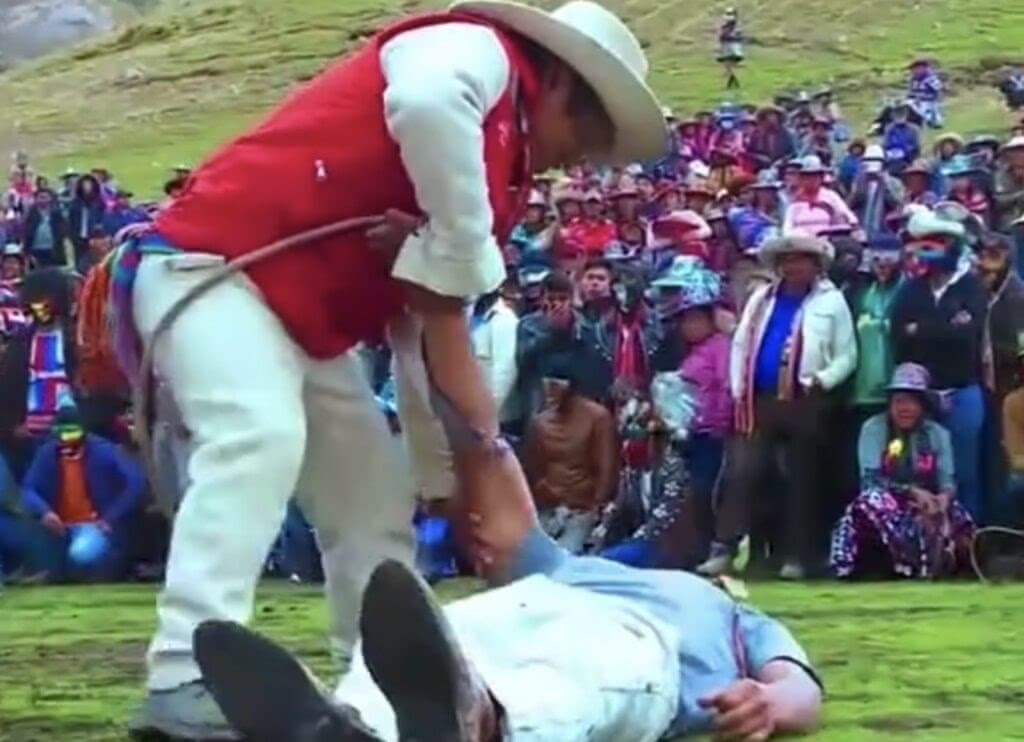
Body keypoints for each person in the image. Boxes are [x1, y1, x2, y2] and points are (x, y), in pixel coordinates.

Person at [124, 2, 667, 738]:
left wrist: (444, 477)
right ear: (568, 87)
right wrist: (462, 248)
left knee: (375, 503)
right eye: (588, 136)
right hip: (213, 272)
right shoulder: (474, 51)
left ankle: (374, 695)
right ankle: (183, 675)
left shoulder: (500, 173)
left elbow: (424, 331)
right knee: (258, 435)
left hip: (304, 327)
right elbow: (426, 101)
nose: (578, 161)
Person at [190, 447, 823, 742]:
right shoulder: (581, 564)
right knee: (418, 645)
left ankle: (474, 723)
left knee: (574, 684)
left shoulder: (736, 616)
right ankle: (341, 731)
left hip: (639, 645)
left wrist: (769, 701)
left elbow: (801, 687)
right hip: (536, 602)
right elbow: (501, 489)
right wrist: (447, 336)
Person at [711, 233, 857, 579]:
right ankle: (726, 547)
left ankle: (796, 555)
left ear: (815, 266)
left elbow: (847, 354)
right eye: (788, 260)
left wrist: (824, 379)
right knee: (744, 470)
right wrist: (737, 387)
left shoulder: (832, 301)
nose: (793, 267)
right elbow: (741, 342)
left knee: (801, 477)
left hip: (805, 399)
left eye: (802, 260)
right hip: (758, 399)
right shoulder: (761, 298)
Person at [830, 363, 975, 578]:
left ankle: (957, 556)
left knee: (957, 513)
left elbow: (947, 479)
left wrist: (943, 498)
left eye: (911, 402)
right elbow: (870, 480)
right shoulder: (873, 429)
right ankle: (909, 561)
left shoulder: (938, 434)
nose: (904, 408)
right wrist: (909, 492)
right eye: (899, 401)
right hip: (887, 503)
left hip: (928, 504)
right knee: (871, 500)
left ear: (923, 406)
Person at [890, 210, 988, 522]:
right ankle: (923, 546)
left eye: (934, 244)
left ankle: (968, 541)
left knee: (965, 469)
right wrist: (945, 326)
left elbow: (966, 335)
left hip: (963, 390)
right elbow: (899, 336)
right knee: (920, 470)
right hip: (921, 396)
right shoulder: (911, 289)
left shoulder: (972, 287)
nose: (925, 251)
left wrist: (922, 329)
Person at [20, 404, 145, 581]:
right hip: (60, 526)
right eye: (62, 433)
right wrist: (45, 512)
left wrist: (111, 517)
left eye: (72, 432)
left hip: (94, 524)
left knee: (81, 554)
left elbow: (136, 483)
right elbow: (29, 489)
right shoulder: (47, 452)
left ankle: (103, 567)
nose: (67, 438)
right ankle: (52, 571)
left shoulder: (104, 451)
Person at [523, 361, 617, 553]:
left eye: (556, 386)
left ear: (571, 387)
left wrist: (597, 509)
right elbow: (533, 470)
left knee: (567, 557)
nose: (550, 392)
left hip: (582, 509)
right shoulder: (540, 423)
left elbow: (606, 470)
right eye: (547, 386)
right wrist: (545, 494)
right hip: (548, 507)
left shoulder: (597, 418)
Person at [782, 156, 859, 237]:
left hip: (826, 241)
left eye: (815, 176)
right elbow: (787, 226)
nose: (811, 179)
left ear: (821, 178)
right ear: (801, 178)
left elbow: (848, 217)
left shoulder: (830, 196)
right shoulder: (795, 199)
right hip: (801, 243)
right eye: (807, 176)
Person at [66, 173, 107, 267]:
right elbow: (70, 220)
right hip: (78, 238)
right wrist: (72, 236)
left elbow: (103, 219)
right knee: (79, 263)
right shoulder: (75, 203)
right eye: (85, 185)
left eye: (89, 185)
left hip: (94, 239)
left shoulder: (99, 203)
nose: (87, 187)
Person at [22, 188, 70, 268]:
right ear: (36, 199)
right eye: (40, 197)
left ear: (50, 198)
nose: (43, 200)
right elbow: (26, 232)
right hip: (35, 250)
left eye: (45, 197)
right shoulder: (30, 214)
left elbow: (63, 230)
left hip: (53, 250)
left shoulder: (57, 213)